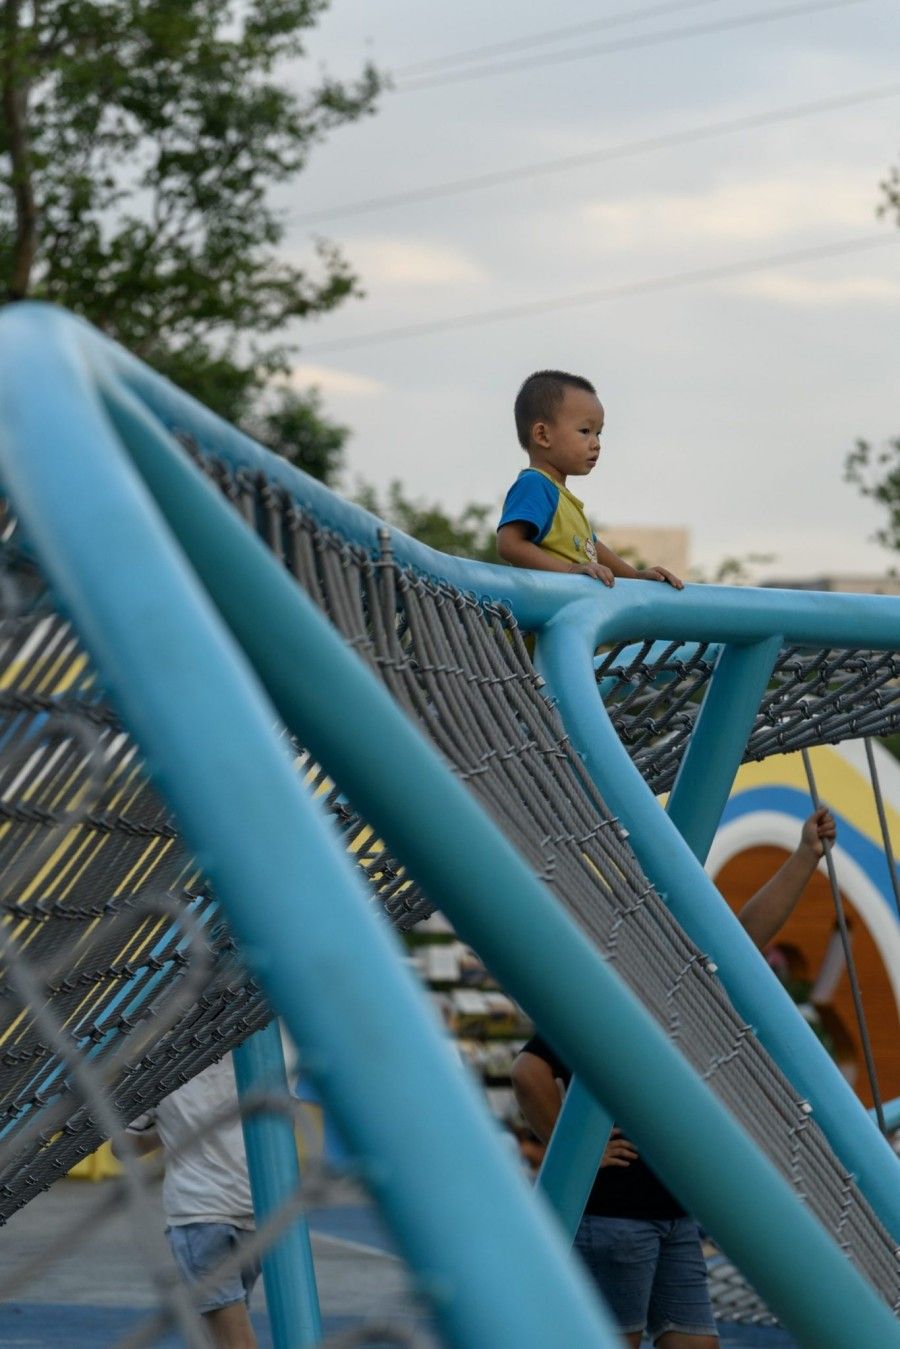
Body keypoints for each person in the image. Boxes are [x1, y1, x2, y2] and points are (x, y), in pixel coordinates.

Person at [512, 808, 837, 1349]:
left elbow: (746, 935)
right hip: (616, 1215)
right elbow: (528, 1073)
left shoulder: (675, 990)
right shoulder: (610, 996)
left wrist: (806, 855)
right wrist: (575, 1151)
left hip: (673, 1214)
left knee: (693, 1342)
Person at [496, 369, 683, 589]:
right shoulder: (535, 485)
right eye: (585, 431)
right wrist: (569, 570)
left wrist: (635, 576)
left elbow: (592, 548)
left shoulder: (562, 498)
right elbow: (509, 544)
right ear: (543, 435)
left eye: (598, 433)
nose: (596, 443)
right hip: (539, 620)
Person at [119, 1056, 260, 1349]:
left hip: (199, 1210)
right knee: (228, 1331)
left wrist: (172, 1133)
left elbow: (123, 1145)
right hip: (254, 1207)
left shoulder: (163, 1062)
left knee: (227, 1335)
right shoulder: (262, 1054)